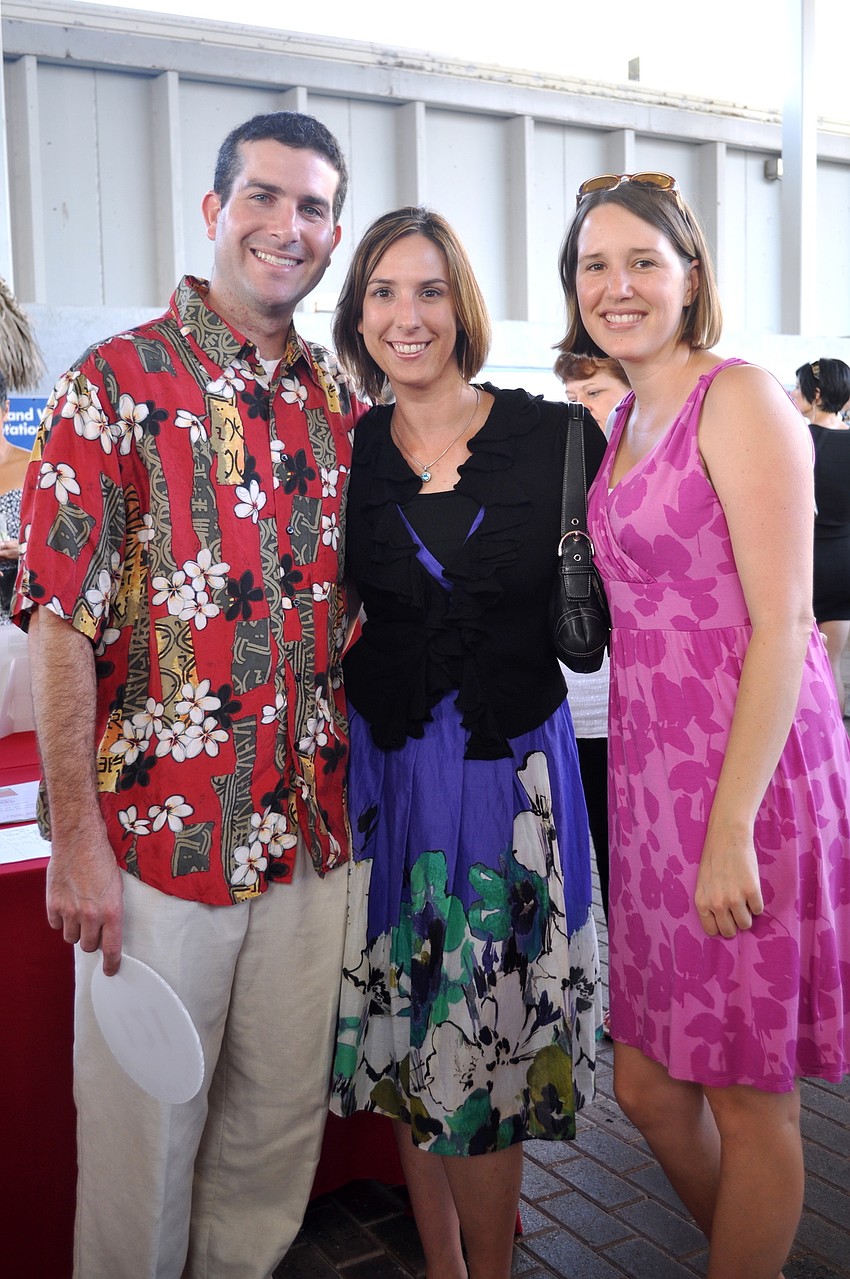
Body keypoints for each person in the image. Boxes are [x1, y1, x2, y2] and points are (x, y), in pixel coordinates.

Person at [14, 111, 364, 1278]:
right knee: (141, 1151)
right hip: (158, 845)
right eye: (265, 197)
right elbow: (61, 626)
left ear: (331, 232)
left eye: (312, 206)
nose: (287, 226)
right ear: (216, 212)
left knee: (271, 1147)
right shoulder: (111, 385)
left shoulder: (337, 405)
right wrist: (76, 842)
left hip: (310, 843)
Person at [557, 171, 850, 1279]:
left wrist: (729, 827)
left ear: (690, 277)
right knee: (643, 1083)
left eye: (641, 261)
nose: (616, 285)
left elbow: (784, 626)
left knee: (744, 1089)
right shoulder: (629, 410)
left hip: (749, 779)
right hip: (652, 781)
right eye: (594, 264)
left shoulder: (740, 397)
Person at [329, 207, 605, 1279]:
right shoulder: (343, 450)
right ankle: (443, 1265)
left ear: (463, 306)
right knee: (408, 1028)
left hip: (505, 782)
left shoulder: (554, 435)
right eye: (386, 293)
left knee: (482, 1052)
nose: (409, 315)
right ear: (358, 314)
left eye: (430, 290)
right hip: (388, 775)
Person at [552, 352, 630, 925]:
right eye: (572, 394)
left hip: (630, 708)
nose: (579, 407)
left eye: (594, 392)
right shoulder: (568, 470)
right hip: (576, 707)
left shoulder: (644, 474)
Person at [792, 357, 850, 716]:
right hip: (845, 562)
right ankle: (842, 761)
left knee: (809, 675)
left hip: (808, 564)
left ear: (815, 393)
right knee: (836, 668)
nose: (794, 394)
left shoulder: (799, 439)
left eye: (798, 388)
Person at [0, 371, 31, 623]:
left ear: (6, 409)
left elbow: (63, 540)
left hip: (23, 613)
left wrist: (24, 551)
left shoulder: (35, 467)